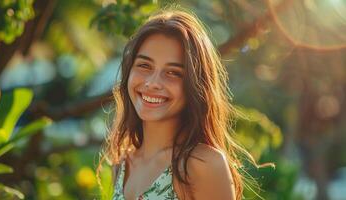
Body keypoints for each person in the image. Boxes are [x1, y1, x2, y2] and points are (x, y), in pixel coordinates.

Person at [98, 8, 257, 200]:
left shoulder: (202, 164)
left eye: (173, 72)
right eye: (144, 65)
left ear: (195, 86)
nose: (152, 83)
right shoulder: (122, 163)